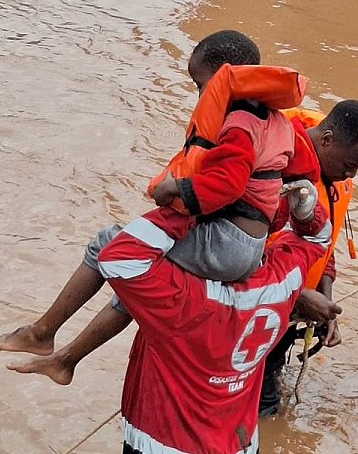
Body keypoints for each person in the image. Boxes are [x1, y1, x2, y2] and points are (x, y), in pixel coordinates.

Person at [0, 29, 305, 383]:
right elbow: (291, 178)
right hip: (244, 246)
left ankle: (42, 333)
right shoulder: (276, 120)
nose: (202, 96)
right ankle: (65, 359)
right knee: (138, 283)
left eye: (201, 85)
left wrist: (176, 188)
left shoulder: (238, 122)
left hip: (225, 245)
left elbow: (228, 184)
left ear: (225, 77)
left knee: (107, 245)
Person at [99, 177, 340, 454]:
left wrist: (190, 209)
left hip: (162, 443)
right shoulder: (282, 283)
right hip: (239, 445)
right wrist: (306, 209)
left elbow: (117, 257)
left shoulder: (184, 299)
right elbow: (316, 237)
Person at [257, 101, 358, 416]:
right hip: (252, 317)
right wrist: (300, 297)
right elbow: (238, 259)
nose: (351, 174)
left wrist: (327, 306)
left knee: (270, 393)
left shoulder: (332, 173)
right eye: (351, 165)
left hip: (289, 313)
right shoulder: (272, 171)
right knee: (262, 409)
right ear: (326, 140)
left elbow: (323, 247)